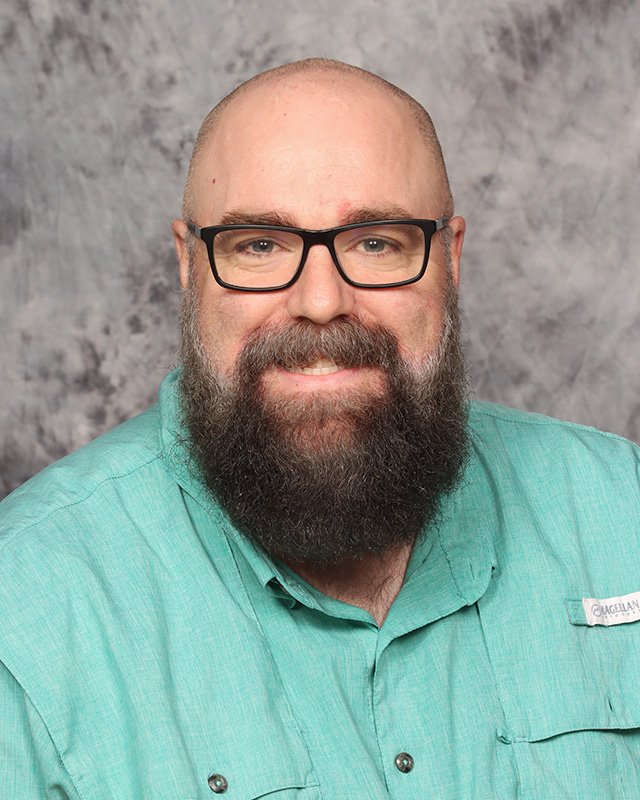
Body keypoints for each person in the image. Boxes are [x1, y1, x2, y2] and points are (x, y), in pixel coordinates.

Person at [1, 58, 639, 800]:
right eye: (259, 245)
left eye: (376, 242)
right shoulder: (24, 612)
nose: (321, 301)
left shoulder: (622, 509)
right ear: (188, 266)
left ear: (451, 258)